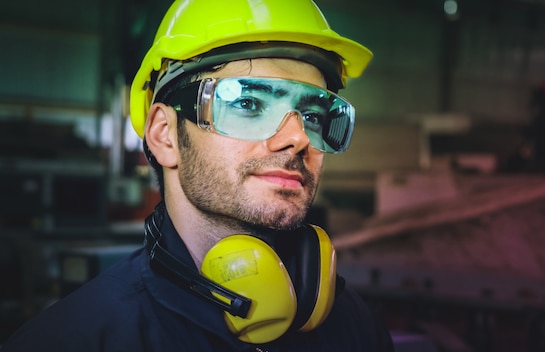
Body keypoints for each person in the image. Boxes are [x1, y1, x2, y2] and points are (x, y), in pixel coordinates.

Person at [1, 0, 394, 351]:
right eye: (247, 102)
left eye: (312, 116)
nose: (296, 138)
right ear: (165, 135)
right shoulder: (77, 340)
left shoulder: (356, 327)